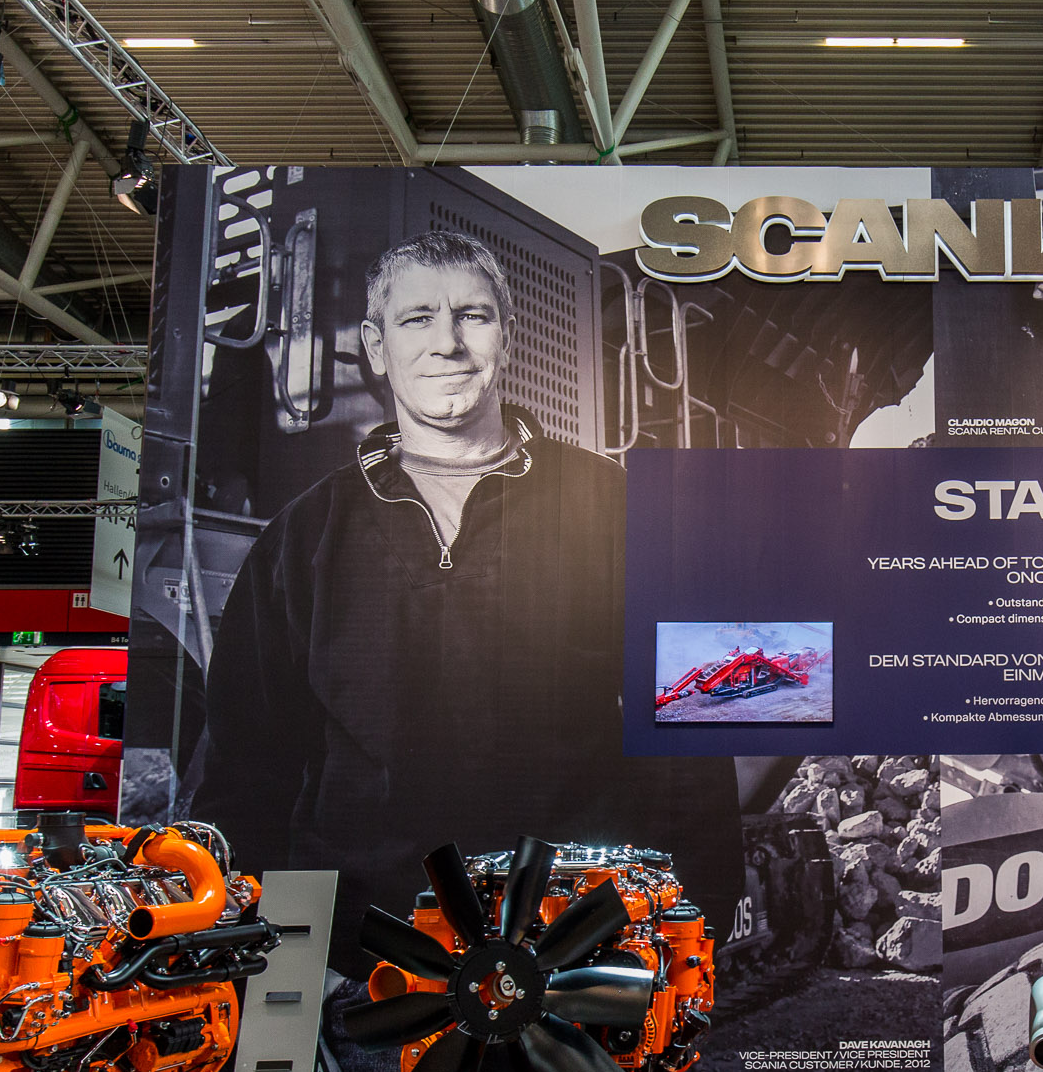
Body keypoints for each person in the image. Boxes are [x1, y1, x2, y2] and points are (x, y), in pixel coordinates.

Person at [193, 229, 736, 976]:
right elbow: (245, 764)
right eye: (418, 318)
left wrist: (695, 926)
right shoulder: (302, 538)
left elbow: (690, 735)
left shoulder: (614, 506)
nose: (446, 342)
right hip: (366, 963)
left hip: (574, 947)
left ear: (506, 338)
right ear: (376, 347)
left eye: (472, 316)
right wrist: (258, 957)